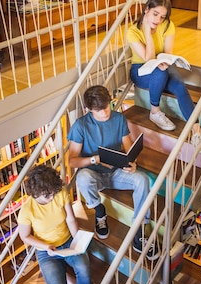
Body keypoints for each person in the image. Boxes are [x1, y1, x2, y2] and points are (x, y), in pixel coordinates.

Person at [67, 85, 159, 260]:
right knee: (82, 178)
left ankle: (140, 229)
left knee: (143, 180)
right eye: (99, 110)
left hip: (117, 172)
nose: (104, 112)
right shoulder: (81, 125)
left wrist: (133, 162)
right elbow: (71, 161)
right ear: (89, 109)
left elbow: (128, 146)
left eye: (107, 106)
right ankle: (98, 209)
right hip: (94, 174)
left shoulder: (118, 119)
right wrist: (94, 159)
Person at [17, 165, 102, 284]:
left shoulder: (60, 193)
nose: (52, 197)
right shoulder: (27, 211)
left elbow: (70, 218)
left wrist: (78, 240)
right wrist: (46, 247)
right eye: (48, 195)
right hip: (46, 252)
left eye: (53, 193)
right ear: (35, 193)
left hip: (67, 242)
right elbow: (25, 236)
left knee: (84, 268)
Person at [127, 0, 201, 146]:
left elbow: (167, 52)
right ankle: (155, 111)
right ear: (146, 9)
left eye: (162, 17)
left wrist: (166, 61)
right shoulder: (133, 31)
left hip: (161, 65)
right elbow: (148, 59)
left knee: (179, 85)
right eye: (155, 14)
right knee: (159, 71)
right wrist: (148, 32)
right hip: (140, 71)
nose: (158, 20)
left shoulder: (168, 25)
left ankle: (197, 131)